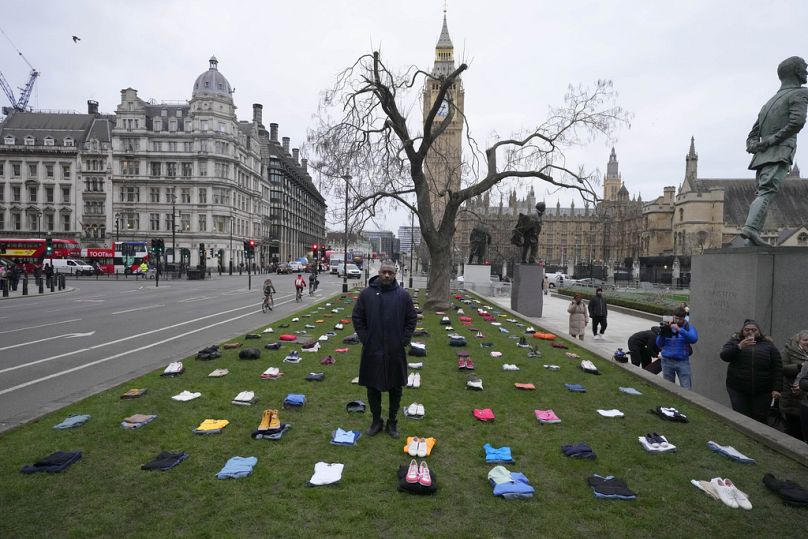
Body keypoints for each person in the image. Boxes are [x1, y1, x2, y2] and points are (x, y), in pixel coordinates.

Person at [740, 56, 808, 247]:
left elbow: (753, 134)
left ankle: (751, 239)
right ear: (796, 72)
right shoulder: (800, 93)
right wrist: (773, 141)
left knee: (762, 193)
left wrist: (755, 145)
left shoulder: (768, 103)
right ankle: (751, 228)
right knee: (767, 191)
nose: (806, 72)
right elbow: (797, 122)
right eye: (804, 68)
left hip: (762, 155)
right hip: (780, 151)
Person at [352, 261, 417, 439]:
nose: (387, 275)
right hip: (372, 349)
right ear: (379, 273)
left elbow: (411, 318)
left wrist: (404, 339)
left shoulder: (403, 295)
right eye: (384, 272)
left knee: (396, 387)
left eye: (390, 272)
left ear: (395, 274)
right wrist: (365, 338)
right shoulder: (367, 294)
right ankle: (376, 421)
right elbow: (357, 317)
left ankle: (392, 422)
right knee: (372, 386)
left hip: (395, 349)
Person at [720, 319, 783, 424]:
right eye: (747, 330)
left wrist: (777, 388)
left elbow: (777, 367)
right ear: (742, 331)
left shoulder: (768, 345)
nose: (750, 332)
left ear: (759, 331)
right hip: (738, 389)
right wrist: (739, 346)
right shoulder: (735, 342)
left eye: (754, 330)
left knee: (760, 418)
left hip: (763, 390)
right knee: (741, 418)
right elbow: (724, 356)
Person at [656, 306, 698, 389]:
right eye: (676, 318)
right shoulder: (667, 325)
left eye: (680, 319)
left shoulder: (688, 327)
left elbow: (694, 339)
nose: (678, 321)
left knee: (686, 387)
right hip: (667, 361)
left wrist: (679, 330)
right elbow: (659, 344)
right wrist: (662, 332)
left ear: (684, 318)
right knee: (668, 387)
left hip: (682, 362)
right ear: (673, 316)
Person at [781, 330, 808, 440]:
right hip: (792, 396)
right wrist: (801, 366)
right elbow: (783, 368)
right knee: (794, 429)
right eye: (805, 340)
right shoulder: (788, 351)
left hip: (805, 395)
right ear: (798, 340)